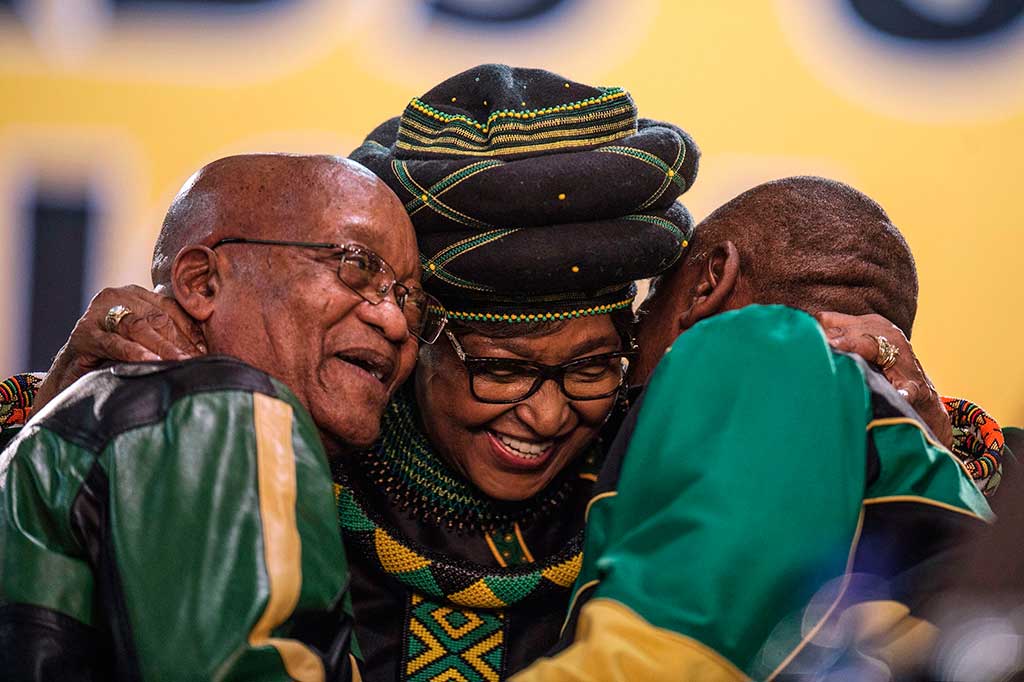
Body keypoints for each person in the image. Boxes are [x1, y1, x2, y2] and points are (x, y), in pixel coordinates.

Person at [0, 69, 967, 681]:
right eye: (503, 369)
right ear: (418, 339)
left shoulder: (667, 449)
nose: (547, 415)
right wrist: (65, 417)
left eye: (590, 367)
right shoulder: (296, 429)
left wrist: (904, 438)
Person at [512, 178, 993, 681]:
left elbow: (665, 657)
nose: (631, 341)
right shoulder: (911, 458)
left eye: (651, 300)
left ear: (708, 282)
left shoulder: (757, 348)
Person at [0, 153, 447, 680]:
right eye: (356, 266)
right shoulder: (223, 411)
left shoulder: (83, 426)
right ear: (203, 283)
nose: (395, 321)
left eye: (409, 299)